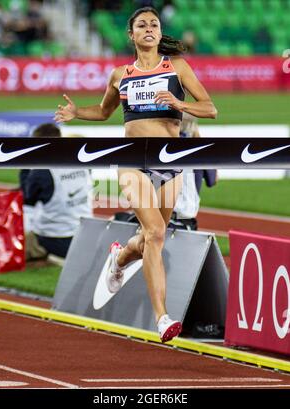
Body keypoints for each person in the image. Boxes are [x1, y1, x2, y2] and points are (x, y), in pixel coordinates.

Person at [55, 7, 217, 342]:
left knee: (148, 238)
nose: (148, 28)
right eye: (141, 24)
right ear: (131, 34)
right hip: (132, 160)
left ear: (159, 33)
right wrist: (76, 113)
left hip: (170, 163)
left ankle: (119, 257)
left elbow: (210, 108)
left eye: (154, 25)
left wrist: (179, 103)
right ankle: (162, 318)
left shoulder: (178, 68)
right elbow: (103, 111)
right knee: (156, 233)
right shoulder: (120, 74)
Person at [20, 123, 93, 263]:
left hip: (55, 238)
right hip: (85, 234)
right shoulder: (81, 161)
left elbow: (27, 199)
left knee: (25, 220)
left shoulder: (41, 171)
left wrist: (25, 166)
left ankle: (40, 255)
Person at [174, 112, 217, 230]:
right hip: (186, 212)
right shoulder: (199, 148)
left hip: (160, 210)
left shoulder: (164, 147)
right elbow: (212, 180)